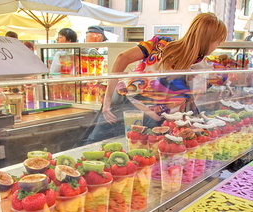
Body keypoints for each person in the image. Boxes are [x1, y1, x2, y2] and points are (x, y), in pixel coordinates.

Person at [86, 12, 227, 143]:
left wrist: (108, 99)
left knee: (98, 143)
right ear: (208, 40)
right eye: (218, 41)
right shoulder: (203, 67)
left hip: (125, 99)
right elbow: (229, 75)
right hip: (149, 113)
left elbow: (122, 58)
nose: (218, 45)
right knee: (133, 151)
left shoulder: (160, 43)